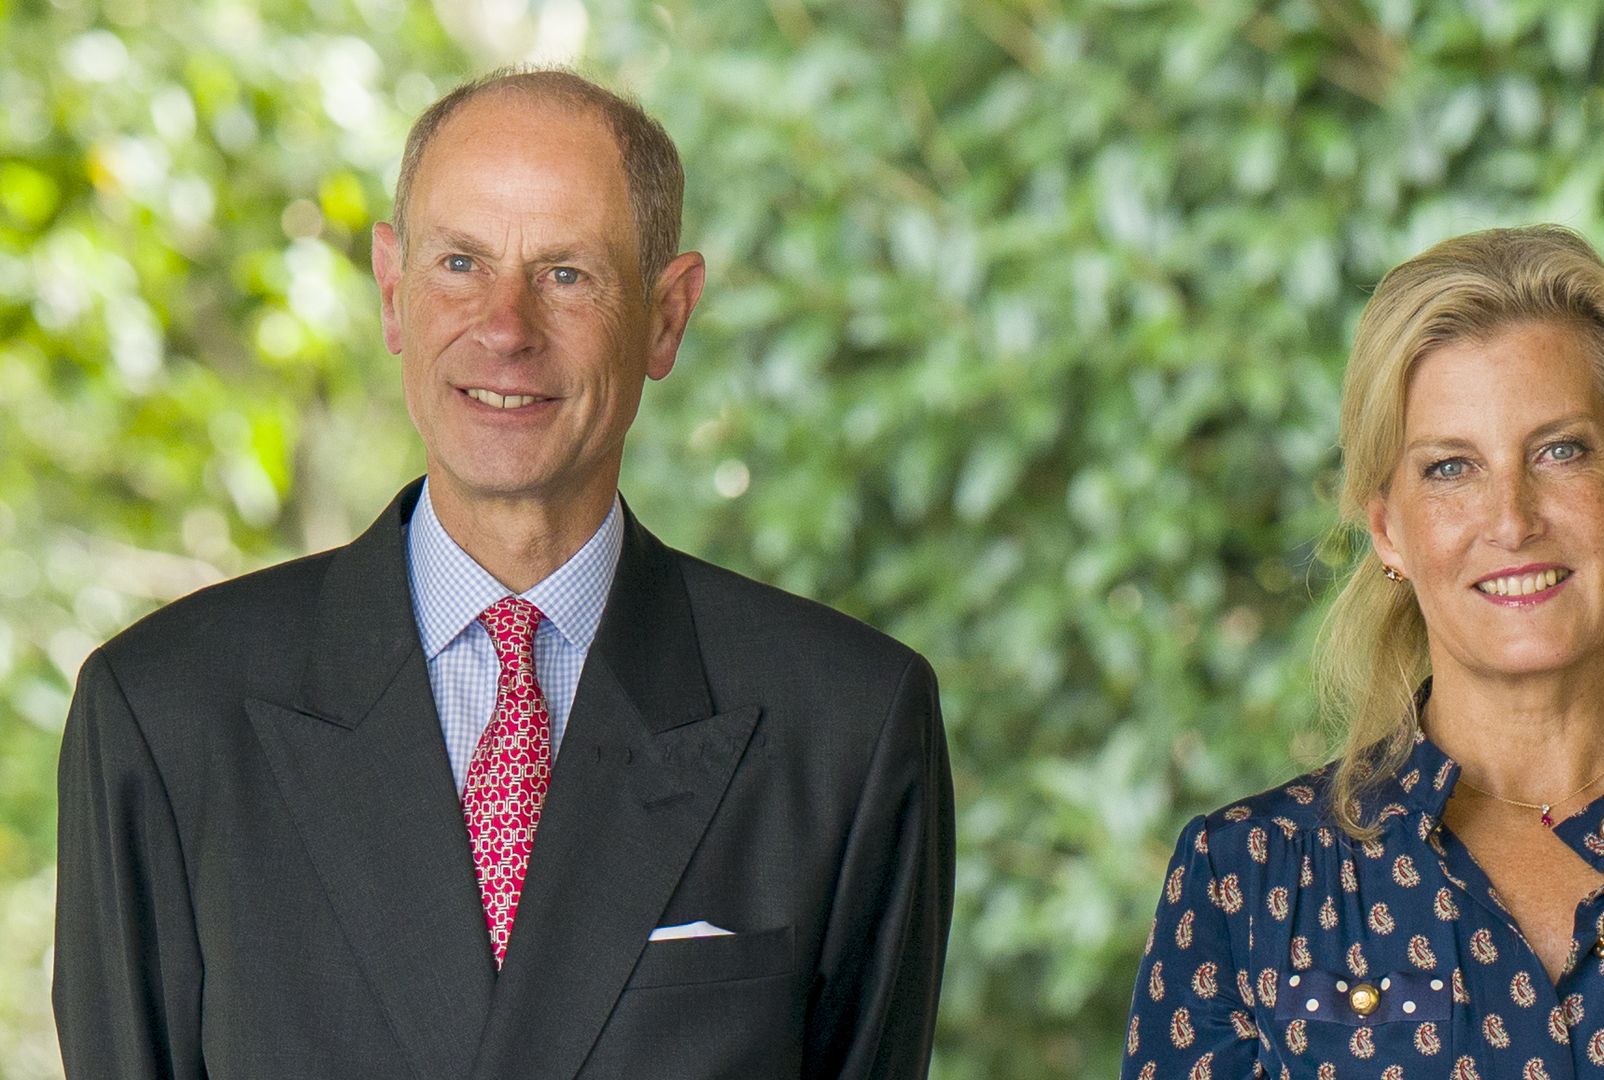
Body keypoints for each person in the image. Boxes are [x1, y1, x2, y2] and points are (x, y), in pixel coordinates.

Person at [54, 67, 953, 1079]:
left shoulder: (850, 725)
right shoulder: (164, 715)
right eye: (459, 263)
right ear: (393, 292)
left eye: (567, 273)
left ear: (665, 315)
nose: (506, 328)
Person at [1122, 226, 1604, 1079]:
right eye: (1450, 469)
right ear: (1387, 527)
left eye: (1559, 451)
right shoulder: (1243, 882)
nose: (1512, 519)